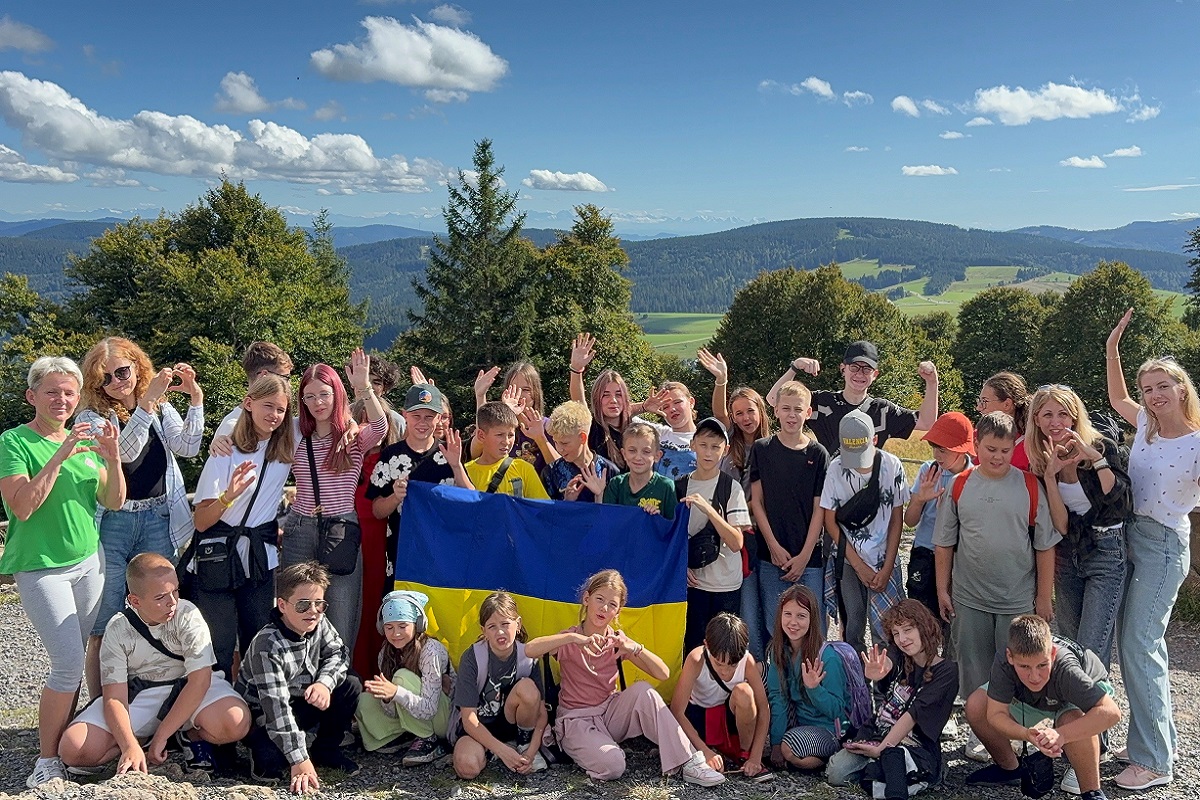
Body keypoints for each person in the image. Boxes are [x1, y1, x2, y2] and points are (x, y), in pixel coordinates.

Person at [0, 356, 125, 788]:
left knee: (74, 657)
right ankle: (47, 759)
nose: (62, 399)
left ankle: (67, 748)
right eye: (52, 391)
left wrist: (113, 458)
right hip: (40, 568)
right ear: (32, 396)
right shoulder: (14, 441)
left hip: (89, 563)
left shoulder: (87, 440)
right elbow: (22, 505)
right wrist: (60, 453)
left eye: (69, 392)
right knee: (67, 665)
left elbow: (113, 501)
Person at [1104, 307, 1200, 790]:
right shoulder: (1144, 424)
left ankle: (1155, 761)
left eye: (1164, 385)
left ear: (1182, 388)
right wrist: (1112, 349)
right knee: (1134, 645)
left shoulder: (1198, 443)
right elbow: (1115, 395)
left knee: (1141, 647)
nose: (1155, 395)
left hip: (1164, 545)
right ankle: (1150, 739)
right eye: (1148, 389)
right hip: (1132, 534)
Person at [77, 337, 204, 697]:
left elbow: (189, 446)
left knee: (162, 608)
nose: (117, 382)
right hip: (114, 522)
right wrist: (147, 404)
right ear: (96, 385)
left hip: (158, 516)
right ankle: (101, 706)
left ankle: (158, 695)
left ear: (136, 366)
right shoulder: (92, 418)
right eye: (107, 378)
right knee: (104, 619)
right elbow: (126, 454)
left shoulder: (159, 407)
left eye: (122, 371)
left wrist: (194, 398)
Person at [933, 411, 1058, 761]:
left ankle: (1020, 735)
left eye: (1005, 450)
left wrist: (1043, 598)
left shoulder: (1030, 486)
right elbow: (944, 544)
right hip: (969, 596)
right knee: (972, 667)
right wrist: (943, 589)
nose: (998, 457)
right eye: (991, 449)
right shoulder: (959, 485)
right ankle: (982, 732)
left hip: (1016, 599)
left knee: (1019, 670)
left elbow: (1044, 546)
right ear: (976, 445)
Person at [524, 569, 725, 786]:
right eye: (599, 599)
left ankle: (689, 762)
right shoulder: (570, 638)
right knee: (614, 766)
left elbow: (663, 673)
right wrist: (572, 638)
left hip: (610, 714)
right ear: (586, 599)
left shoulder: (617, 642)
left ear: (618, 611)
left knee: (644, 691)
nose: (604, 608)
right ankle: (599, 750)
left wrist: (635, 647)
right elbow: (530, 650)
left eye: (612, 604)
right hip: (576, 720)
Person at [58, 554, 250, 775]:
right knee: (74, 749)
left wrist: (162, 736)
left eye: (175, 591)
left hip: (189, 686)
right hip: (143, 693)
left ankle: (185, 735)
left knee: (235, 722)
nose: (172, 602)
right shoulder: (118, 628)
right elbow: (114, 697)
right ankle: (140, 742)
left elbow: (200, 681)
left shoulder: (187, 614)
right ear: (135, 601)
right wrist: (129, 745)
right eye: (161, 597)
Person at [188, 373, 294, 678]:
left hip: (260, 560)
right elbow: (202, 520)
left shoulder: (285, 446)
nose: (273, 415)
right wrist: (228, 496)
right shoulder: (226, 450)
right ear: (248, 404)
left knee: (258, 639)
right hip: (219, 558)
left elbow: (329, 420)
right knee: (217, 643)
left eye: (281, 409)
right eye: (267, 406)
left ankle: (254, 711)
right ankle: (211, 716)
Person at [285, 350, 388, 649]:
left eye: (324, 394)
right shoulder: (295, 433)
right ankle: (301, 685)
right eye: (310, 396)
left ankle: (336, 687)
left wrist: (364, 388)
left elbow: (380, 428)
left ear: (337, 394)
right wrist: (222, 437)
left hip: (341, 528)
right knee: (296, 614)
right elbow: (258, 426)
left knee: (341, 616)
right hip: (300, 528)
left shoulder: (353, 436)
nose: (318, 402)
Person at [1026, 384, 1131, 669]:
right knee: (1070, 644)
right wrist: (1050, 477)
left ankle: (1098, 711)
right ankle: (1077, 711)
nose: (1055, 422)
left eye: (1063, 414)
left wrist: (1095, 459)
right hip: (1068, 550)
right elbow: (1060, 525)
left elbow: (1118, 502)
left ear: (1074, 418)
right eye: (1047, 415)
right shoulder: (1039, 459)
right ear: (1036, 420)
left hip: (1106, 549)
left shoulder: (1100, 446)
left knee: (1091, 649)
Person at [236, 561, 362, 793]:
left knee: (350, 683)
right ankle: (265, 749)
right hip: (266, 713)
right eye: (303, 605)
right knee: (270, 763)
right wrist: (298, 760)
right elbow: (275, 708)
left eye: (319, 604)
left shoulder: (319, 622)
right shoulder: (267, 644)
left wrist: (324, 683)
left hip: (303, 699)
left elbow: (339, 653)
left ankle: (326, 749)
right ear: (282, 605)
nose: (313, 611)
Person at [964, 615, 1120, 800]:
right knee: (976, 704)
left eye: (1042, 665)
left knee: (1072, 720)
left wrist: (1062, 735)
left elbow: (1112, 712)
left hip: (1072, 698)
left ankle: (1092, 792)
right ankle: (1010, 769)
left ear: (1053, 653)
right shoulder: (1004, 661)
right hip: (1031, 698)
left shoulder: (1066, 668)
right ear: (1010, 657)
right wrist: (1025, 734)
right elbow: (996, 714)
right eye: (1024, 666)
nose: (1035, 676)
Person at [826, 600, 959, 800]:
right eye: (896, 633)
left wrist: (881, 749)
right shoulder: (900, 653)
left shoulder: (947, 671)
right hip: (878, 733)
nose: (902, 639)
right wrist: (879, 671)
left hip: (913, 744)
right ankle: (881, 768)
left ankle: (923, 771)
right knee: (837, 773)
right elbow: (888, 661)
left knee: (890, 765)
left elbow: (912, 715)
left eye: (908, 629)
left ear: (925, 627)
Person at [744, 380, 829, 660]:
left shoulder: (818, 454)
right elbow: (756, 502)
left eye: (798, 409)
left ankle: (810, 689)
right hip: (772, 557)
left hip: (809, 559)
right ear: (776, 411)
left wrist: (805, 555)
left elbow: (821, 509)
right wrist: (773, 546)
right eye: (786, 409)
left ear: (808, 413)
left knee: (811, 628)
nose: (792, 415)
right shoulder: (762, 449)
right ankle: (779, 692)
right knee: (775, 625)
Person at [368, 382, 472, 591]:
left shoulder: (448, 453)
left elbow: (471, 500)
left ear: (439, 418)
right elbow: (377, 510)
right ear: (404, 415)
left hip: (444, 554)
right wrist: (395, 498)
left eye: (429, 416)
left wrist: (456, 465)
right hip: (402, 555)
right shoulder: (390, 456)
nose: (422, 423)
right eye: (417, 416)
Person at [820, 410, 909, 654]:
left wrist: (888, 566)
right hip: (849, 560)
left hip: (884, 558)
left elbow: (896, 520)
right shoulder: (836, 468)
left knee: (888, 628)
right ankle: (856, 685)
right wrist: (859, 566)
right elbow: (830, 522)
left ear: (875, 440)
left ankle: (885, 688)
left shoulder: (892, 466)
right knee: (853, 626)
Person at [768, 341, 939, 455]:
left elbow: (926, 423)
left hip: (866, 498)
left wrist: (932, 383)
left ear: (875, 375)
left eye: (866, 369)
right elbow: (774, 400)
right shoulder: (822, 402)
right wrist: (795, 367)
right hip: (828, 495)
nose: (859, 374)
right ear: (843, 369)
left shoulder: (882, 411)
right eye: (854, 367)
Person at [450, 591, 548, 778]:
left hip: (513, 727)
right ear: (483, 631)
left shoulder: (527, 656)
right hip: (479, 730)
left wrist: (531, 752)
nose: (500, 632)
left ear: (517, 624)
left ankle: (521, 744)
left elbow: (542, 714)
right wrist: (501, 751)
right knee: (467, 768)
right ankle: (494, 752)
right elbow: (468, 719)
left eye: (505, 624)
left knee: (527, 688)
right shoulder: (472, 658)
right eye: (492, 626)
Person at [677, 417, 751, 652]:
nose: (708, 453)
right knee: (692, 649)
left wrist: (709, 509)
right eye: (704, 445)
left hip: (725, 585)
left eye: (716, 447)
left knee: (723, 650)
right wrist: (681, 567)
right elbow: (671, 538)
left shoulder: (731, 488)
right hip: (693, 585)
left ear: (725, 450)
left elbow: (737, 541)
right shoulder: (679, 486)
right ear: (693, 445)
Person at [355, 590, 455, 765]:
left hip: (444, 719)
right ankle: (406, 736)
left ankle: (428, 740)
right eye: (389, 627)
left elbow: (430, 708)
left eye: (402, 626)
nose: (396, 634)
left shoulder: (431, 651)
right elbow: (394, 710)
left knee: (401, 677)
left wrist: (396, 692)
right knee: (363, 700)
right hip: (415, 714)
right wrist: (387, 698)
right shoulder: (384, 654)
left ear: (417, 624)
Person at [670, 613, 770, 779]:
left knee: (744, 692)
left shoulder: (747, 661)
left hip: (727, 717)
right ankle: (708, 750)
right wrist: (705, 752)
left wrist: (756, 757)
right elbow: (677, 710)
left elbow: (763, 708)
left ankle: (744, 752)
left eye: (732, 665)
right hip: (699, 717)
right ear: (706, 645)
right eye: (718, 664)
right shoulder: (696, 659)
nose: (725, 671)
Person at [762, 585, 851, 771]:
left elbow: (837, 710)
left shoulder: (827, 657)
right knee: (758, 674)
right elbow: (777, 697)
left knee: (789, 748)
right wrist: (775, 743)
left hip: (828, 729)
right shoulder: (779, 650)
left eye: (801, 616)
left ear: (812, 619)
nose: (793, 622)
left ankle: (828, 757)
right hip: (798, 721)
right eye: (788, 614)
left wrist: (814, 689)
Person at [903, 412, 974, 631]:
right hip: (925, 552)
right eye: (934, 448)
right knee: (921, 620)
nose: (937, 454)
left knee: (952, 622)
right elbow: (910, 520)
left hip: (958, 557)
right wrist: (919, 500)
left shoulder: (975, 477)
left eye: (943, 449)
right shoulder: (928, 470)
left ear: (963, 448)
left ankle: (949, 664)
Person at [695, 348, 774, 481]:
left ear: (760, 411)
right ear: (733, 418)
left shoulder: (773, 447)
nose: (746, 418)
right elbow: (720, 414)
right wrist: (721, 380)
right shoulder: (729, 438)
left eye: (750, 411)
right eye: (739, 413)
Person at [472, 362, 556, 472]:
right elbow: (475, 454)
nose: (519, 394)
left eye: (526, 390)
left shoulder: (550, 427)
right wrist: (480, 396)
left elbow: (561, 470)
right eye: (513, 388)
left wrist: (540, 438)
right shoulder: (498, 428)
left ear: (536, 393)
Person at [568, 333, 632, 471]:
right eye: (606, 395)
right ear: (597, 399)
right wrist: (576, 370)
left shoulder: (635, 428)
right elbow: (579, 401)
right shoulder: (593, 429)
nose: (613, 400)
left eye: (618, 394)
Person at [464, 402, 550, 499]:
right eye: (499, 435)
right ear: (481, 435)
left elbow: (543, 509)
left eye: (510, 435)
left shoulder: (523, 469)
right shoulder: (466, 472)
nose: (506, 442)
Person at [542, 400, 618, 502]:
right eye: (555, 442)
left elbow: (618, 513)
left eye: (565, 443)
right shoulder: (550, 473)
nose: (559, 449)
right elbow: (545, 514)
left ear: (582, 437)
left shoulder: (609, 471)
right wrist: (567, 502)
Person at [601, 421, 678, 519]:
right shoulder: (616, 484)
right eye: (632, 451)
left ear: (657, 456)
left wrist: (657, 519)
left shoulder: (666, 486)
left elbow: (673, 526)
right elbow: (607, 520)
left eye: (646, 452)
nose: (638, 457)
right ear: (624, 454)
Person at [637, 381, 699, 480]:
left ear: (691, 402)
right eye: (665, 407)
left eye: (677, 402)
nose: (672, 409)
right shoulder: (656, 433)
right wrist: (643, 407)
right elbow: (620, 414)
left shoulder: (705, 438)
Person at [977, 372, 1031, 471]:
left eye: (984, 401)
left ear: (1007, 405)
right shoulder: (976, 437)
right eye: (979, 401)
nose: (979, 408)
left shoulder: (1029, 449)